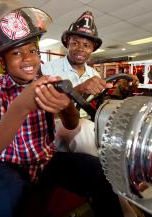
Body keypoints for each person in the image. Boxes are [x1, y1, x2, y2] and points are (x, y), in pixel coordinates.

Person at [0, 1, 124, 217]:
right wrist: (22, 105)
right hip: (9, 166)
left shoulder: (48, 82)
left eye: (32, 50)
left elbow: (72, 124)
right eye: (16, 53)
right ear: (1, 61)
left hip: (47, 161)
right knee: (1, 204)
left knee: (101, 171)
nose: (28, 59)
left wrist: (66, 106)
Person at [42, 11, 137, 156]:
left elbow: (99, 103)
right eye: (75, 43)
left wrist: (122, 88)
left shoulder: (94, 74)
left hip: (89, 122)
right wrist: (79, 89)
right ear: (68, 43)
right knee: (86, 130)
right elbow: (44, 109)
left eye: (86, 45)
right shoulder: (48, 69)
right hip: (55, 124)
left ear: (92, 49)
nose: (80, 48)